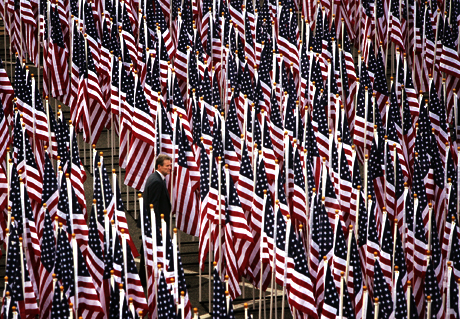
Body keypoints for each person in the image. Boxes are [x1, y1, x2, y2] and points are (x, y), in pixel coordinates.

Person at [143, 154, 172, 230]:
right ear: (159, 166)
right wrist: (159, 226)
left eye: (170, 165)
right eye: (167, 166)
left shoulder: (157, 178)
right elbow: (153, 205)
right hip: (157, 225)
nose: (170, 168)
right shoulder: (156, 181)